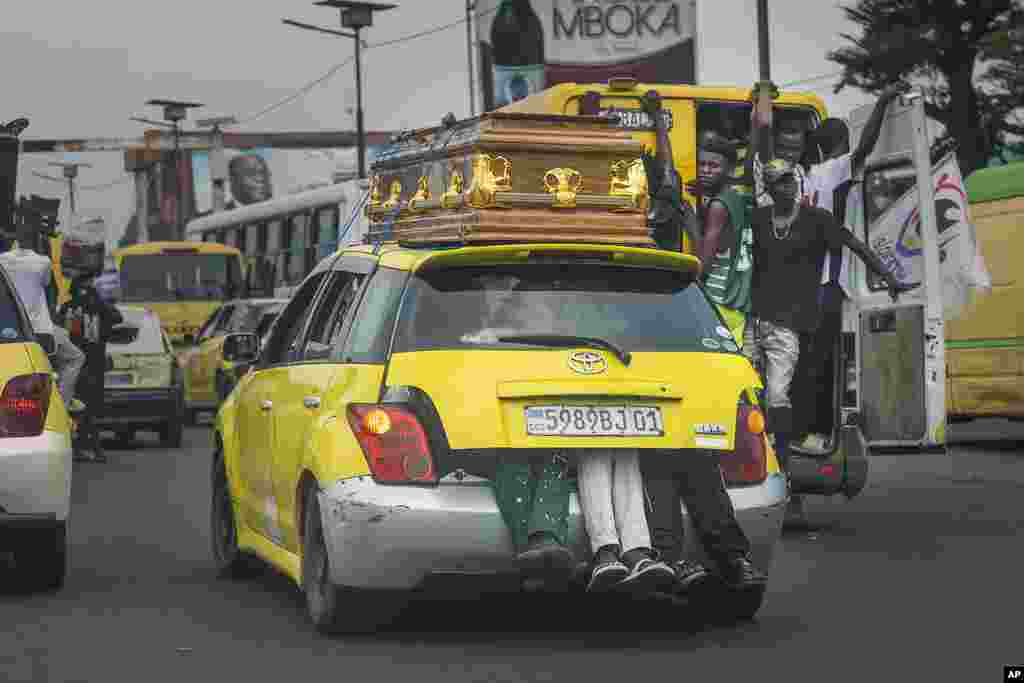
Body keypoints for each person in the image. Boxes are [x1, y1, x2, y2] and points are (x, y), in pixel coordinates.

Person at [633, 91, 769, 597]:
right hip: (639, 359)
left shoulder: (681, 218)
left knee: (694, 458)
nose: (653, 211)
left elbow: (672, 174)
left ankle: (729, 558)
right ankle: (678, 559)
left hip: (681, 349)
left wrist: (658, 125)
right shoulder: (619, 237)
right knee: (659, 460)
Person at [746, 157, 914, 486]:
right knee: (748, 395)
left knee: (777, 397)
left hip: (790, 325)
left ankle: (781, 471)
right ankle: (756, 460)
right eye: (780, 181)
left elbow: (856, 246)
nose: (789, 186)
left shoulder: (816, 220)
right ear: (769, 188)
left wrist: (889, 279)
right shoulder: (758, 218)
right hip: (754, 320)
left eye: (791, 179)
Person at [0, 236, 85, 409]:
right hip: (39, 332)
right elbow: (49, 291)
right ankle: (62, 403)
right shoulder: (43, 262)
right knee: (76, 357)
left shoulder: (2, 263)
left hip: (11, 331)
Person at [688, 129, 753, 346]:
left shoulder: (718, 206)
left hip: (719, 300)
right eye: (702, 165)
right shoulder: (734, 197)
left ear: (729, 169)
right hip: (736, 299)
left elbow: (703, 265)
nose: (705, 171)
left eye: (714, 166)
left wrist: (690, 224)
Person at [60, 271, 123, 462]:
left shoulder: (68, 308)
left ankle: (83, 447)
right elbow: (116, 317)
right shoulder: (98, 308)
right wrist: (96, 299)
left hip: (74, 366)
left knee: (81, 407)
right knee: (86, 409)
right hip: (88, 366)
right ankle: (91, 448)